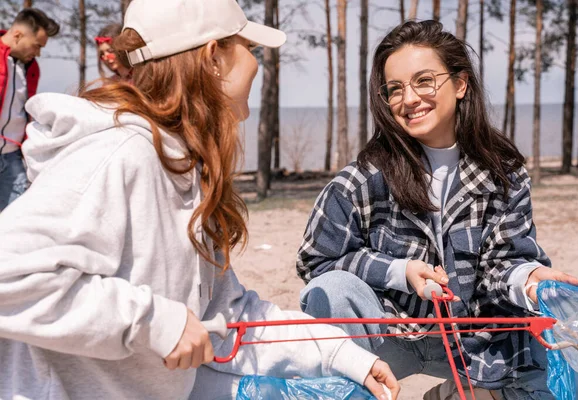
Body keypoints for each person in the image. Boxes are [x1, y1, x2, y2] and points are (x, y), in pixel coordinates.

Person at [0, 1, 399, 399]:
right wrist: (155, 323)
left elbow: (230, 317)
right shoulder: (117, 153)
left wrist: (344, 355)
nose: (257, 65)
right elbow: (10, 273)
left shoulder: (183, 167)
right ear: (213, 58)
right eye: (249, 49)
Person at [296, 20, 578, 400]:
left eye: (424, 81)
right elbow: (316, 261)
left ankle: (460, 392)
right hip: (387, 337)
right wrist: (398, 272)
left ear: (460, 84)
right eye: (395, 89)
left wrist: (528, 281)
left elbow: (504, 262)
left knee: (554, 379)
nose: (409, 98)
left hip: (471, 341)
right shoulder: (362, 179)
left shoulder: (503, 174)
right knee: (329, 289)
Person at [0, 8, 59, 211]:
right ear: (18, 35)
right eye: (37, 46)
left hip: (12, 156)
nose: (38, 53)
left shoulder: (31, 67)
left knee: (14, 217)